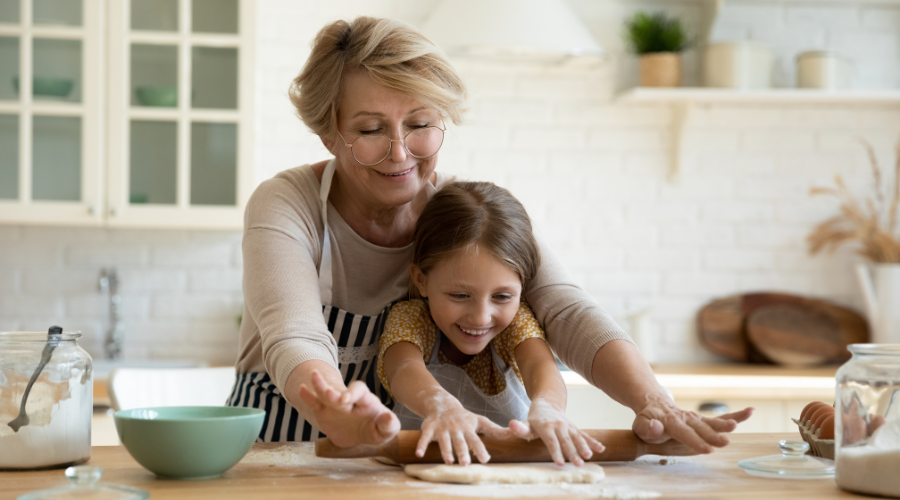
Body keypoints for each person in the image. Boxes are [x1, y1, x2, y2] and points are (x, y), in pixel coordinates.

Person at [229, 15, 752, 452]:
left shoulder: (460, 213)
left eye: (420, 124)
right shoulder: (287, 203)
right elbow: (293, 334)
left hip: (380, 456)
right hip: (274, 451)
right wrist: (337, 408)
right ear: (328, 132)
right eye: (370, 130)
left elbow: (563, 308)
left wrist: (654, 402)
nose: (400, 152)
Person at [377, 181, 605, 466]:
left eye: (502, 296)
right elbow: (402, 369)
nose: (481, 317)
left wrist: (549, 408)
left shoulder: (515, 323)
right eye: (460, 295)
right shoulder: (411, 319)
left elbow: (540, 366)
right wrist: (442, 407)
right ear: (421, 279)